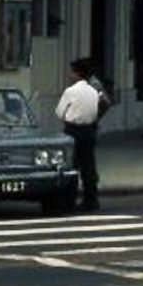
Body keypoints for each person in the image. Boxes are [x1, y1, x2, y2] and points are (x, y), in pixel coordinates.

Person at [56, 58, 101, 211]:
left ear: (77, 73)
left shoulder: (70, 91)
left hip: (73, 130)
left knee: (71, 166)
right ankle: (91, 199)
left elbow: (59, 112)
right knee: (89, 166)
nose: (70, 75)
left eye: (72, 72)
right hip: (89, 130)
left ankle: (69, 200)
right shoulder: (94, 91)